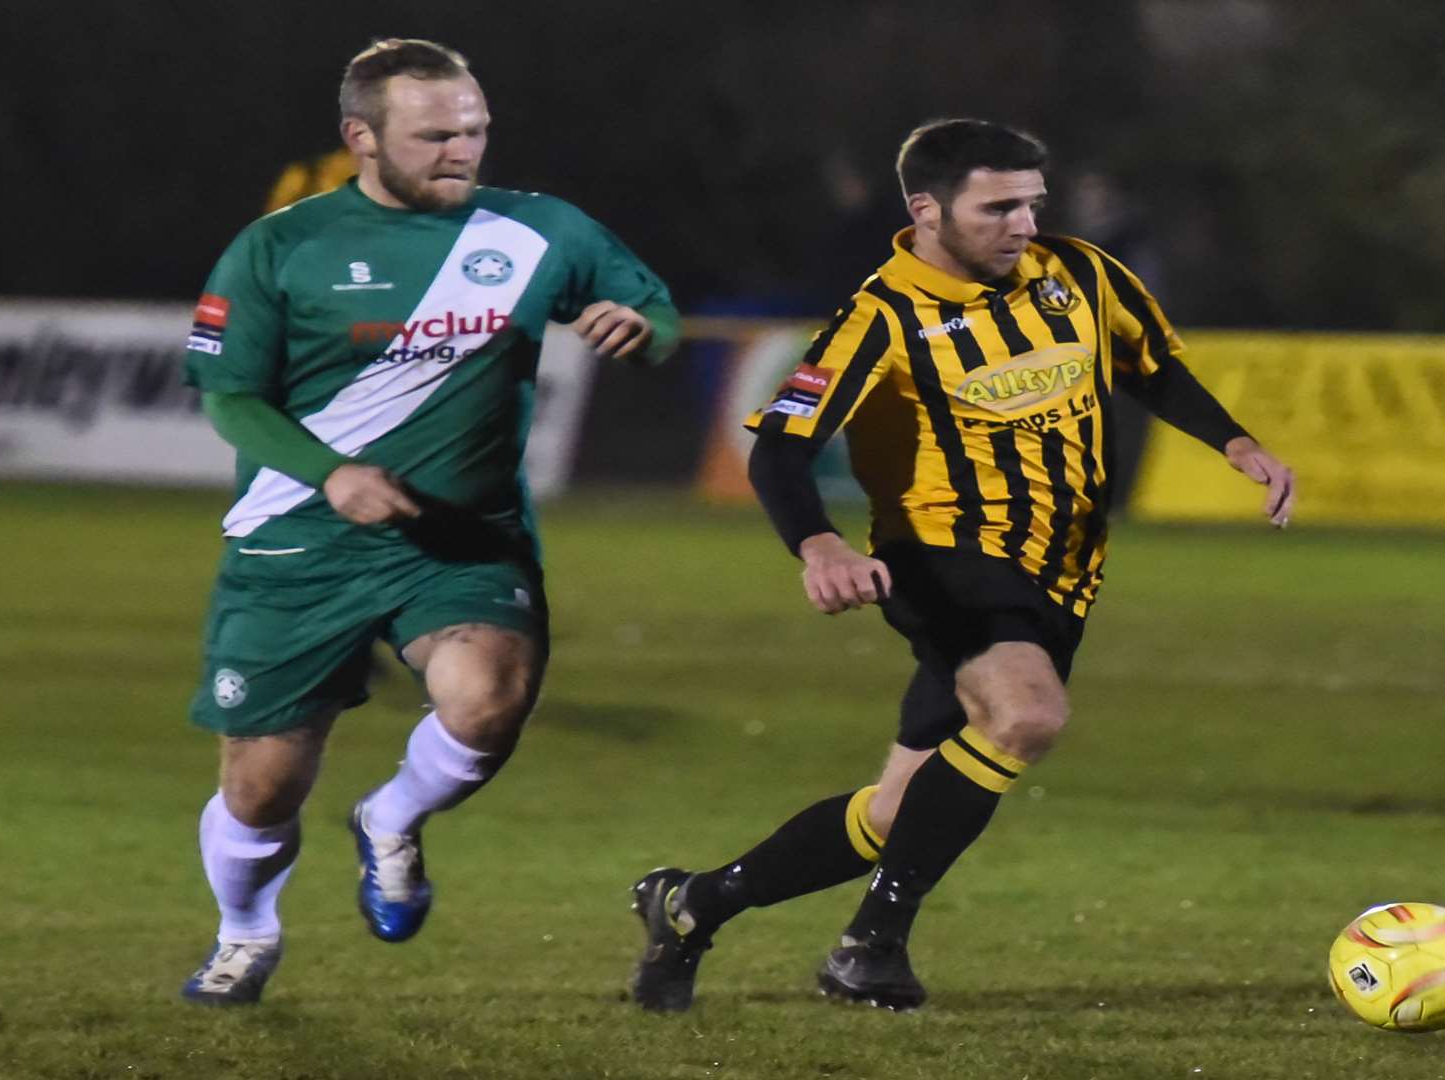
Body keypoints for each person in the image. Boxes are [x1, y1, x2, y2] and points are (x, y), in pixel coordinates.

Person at [628, 118, 1291, 1012]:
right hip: (941, 555)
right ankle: (872, 945)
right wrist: (820, 544)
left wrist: (1236, 442)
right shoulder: (881, 316)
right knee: (1026, 713)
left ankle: (692, 904)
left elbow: (1151, 366)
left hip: (1063, 571)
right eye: (999, 206)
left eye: (1032, 204)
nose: (1023, 224)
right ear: (927, 209)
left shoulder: (1080, 275)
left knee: (899, 813)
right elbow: (779, 451)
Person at [179, 38, 679, 1006]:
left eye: (476, 131)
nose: (463, 151)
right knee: (262, 791)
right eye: (436, 135)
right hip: (298, 538)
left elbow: (653, 313)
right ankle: (246, 933)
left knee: (489, 699)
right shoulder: (281, 247)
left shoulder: (543, 231)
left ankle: (392, 819)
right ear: (361, 138)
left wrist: (641, 332)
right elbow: (231, 398)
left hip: (458, 540)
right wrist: (331, 476)